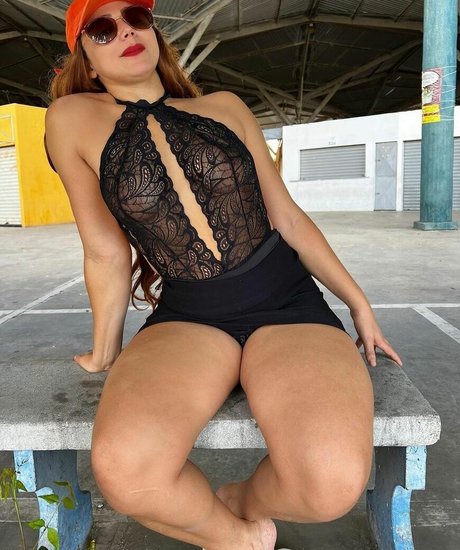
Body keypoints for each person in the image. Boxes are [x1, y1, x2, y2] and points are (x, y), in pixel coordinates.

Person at [45, 1, 403, 548]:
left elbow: (287, 217)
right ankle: (234, 538)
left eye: (137, 17)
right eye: (102, 29)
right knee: (125, 471)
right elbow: (105, 252)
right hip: (188, 316)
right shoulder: (70, 119)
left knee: (329, 485)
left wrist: (358, 303)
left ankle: (241, 502)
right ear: (86, 62)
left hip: (286, 303)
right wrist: (104, 350)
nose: (126, 32)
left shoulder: (226, 106)